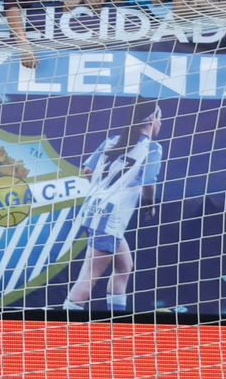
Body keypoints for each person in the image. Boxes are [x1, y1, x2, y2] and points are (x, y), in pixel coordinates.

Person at [63, 102, 161, 314]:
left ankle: (116, 322)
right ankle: (60, 331)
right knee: (87, 279)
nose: (160, 124)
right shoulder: (152, 148)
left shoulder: (112, 140)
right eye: (160, 118)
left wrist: (104, 188)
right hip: (109, 219)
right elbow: (148, 184)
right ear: (152, 119)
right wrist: (149, 205)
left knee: (124, 267)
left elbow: (88, 170)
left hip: (92, 211)